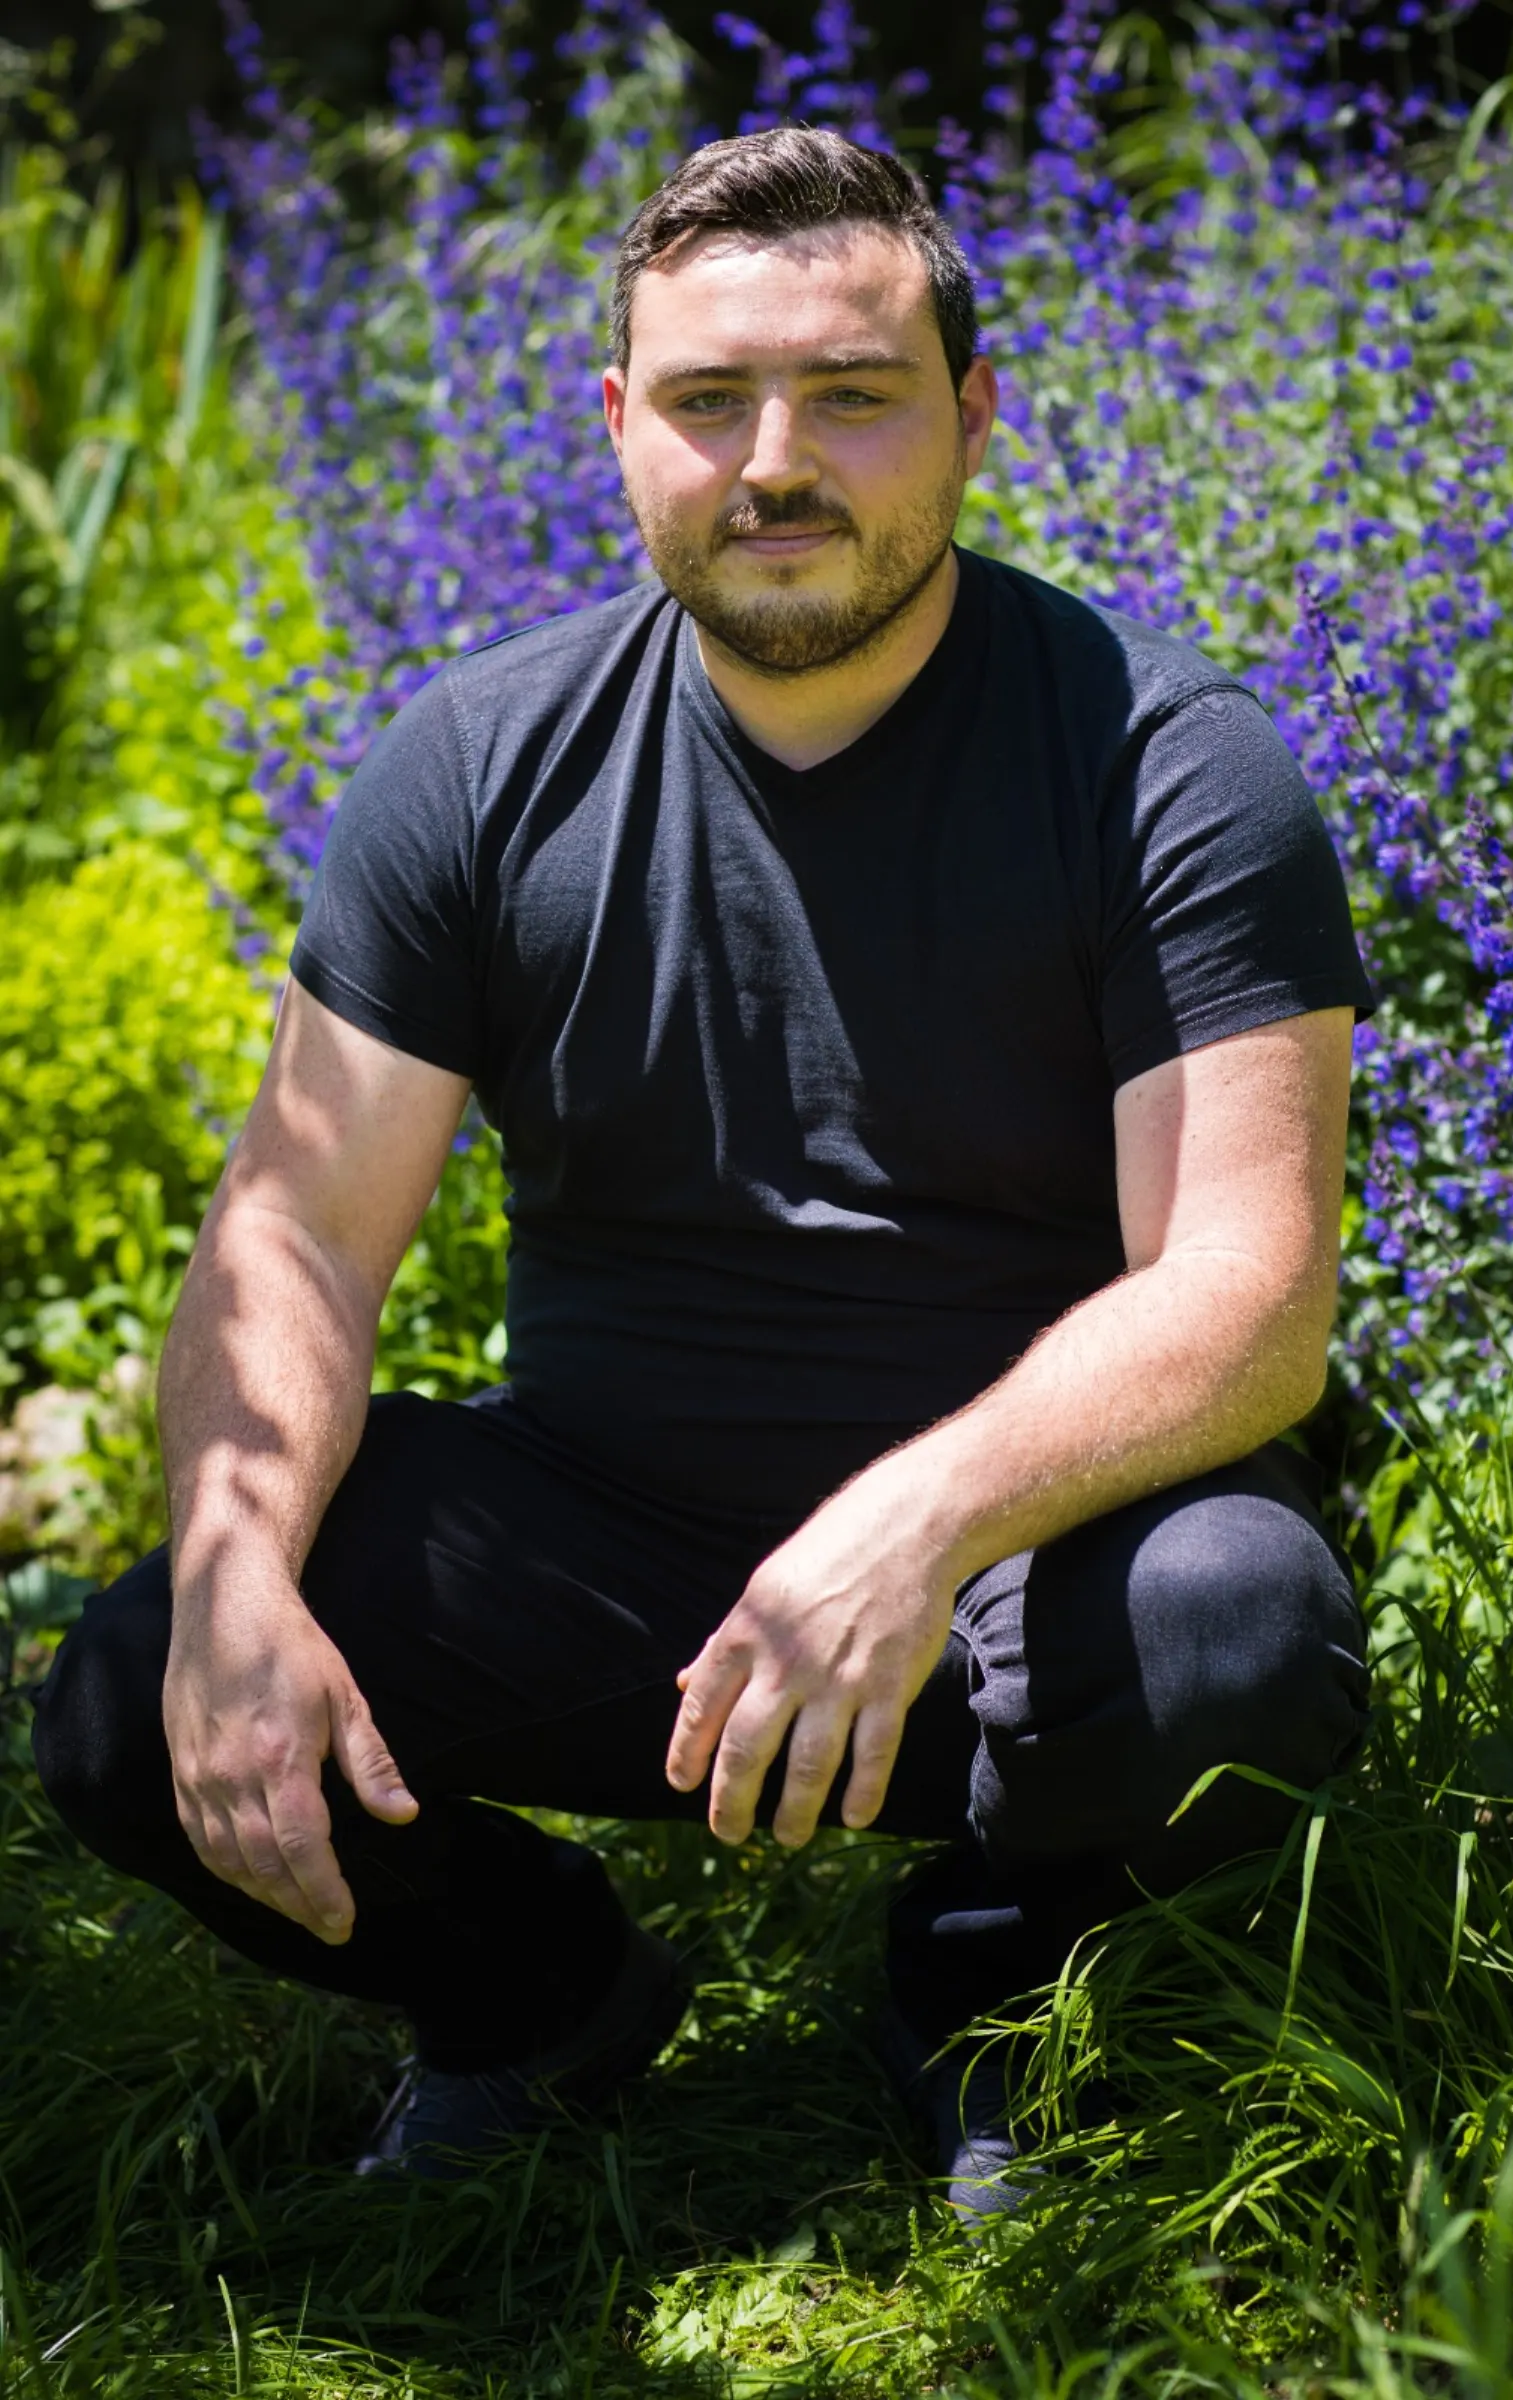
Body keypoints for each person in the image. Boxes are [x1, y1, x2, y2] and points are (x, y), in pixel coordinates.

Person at [32, 126, 1374, 2222]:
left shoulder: (1160, 766)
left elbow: (1245, 1293)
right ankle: (533, 2001)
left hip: (1015, 1575)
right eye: (707, 402)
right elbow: (295, 1220)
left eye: (851, 395)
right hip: (612, 1559)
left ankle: (984, 1973)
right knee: (138, 1684)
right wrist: (231, 1570)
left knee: (1238, 1629)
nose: (774, 462)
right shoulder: (478, 764)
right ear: (616, 426)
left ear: (972, 415)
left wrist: (911, 1528)